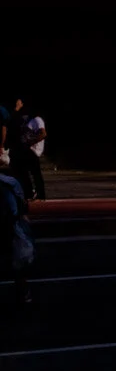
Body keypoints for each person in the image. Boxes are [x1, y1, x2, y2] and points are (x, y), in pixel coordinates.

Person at [2, 168, 32, 305]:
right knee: (16, 264)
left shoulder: (8, 184)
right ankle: (24, 293)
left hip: (8, 226)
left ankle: (23, 292)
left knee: (15, 263)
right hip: (10, 226)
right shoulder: (10, 182)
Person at [10, 99, 46, 202]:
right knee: (23, 171)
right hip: (26, 149)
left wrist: (31, 142)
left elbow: (43, 134)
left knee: (35, 173)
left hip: (32, 150)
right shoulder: (28, 120)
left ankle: (40, 195)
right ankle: (30, 193)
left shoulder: (37, 119)